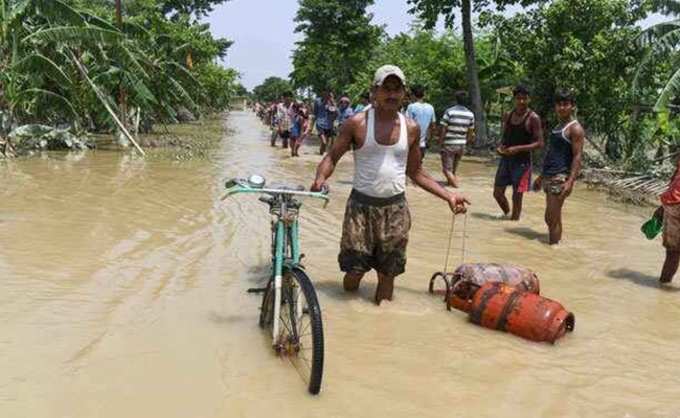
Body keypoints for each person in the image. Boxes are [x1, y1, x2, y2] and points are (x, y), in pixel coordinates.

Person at [310, 65, 470, 305]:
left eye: (397, 89)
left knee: (388, 275)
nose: (392, 94)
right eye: (387, 88)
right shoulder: (356, 123)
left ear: (404, 93)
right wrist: (320, 179)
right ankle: (349, 316)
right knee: (354, 272)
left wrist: (448, 196)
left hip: (395, 210)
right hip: (360, 209)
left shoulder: (412, 128)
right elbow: (332, 157)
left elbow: (416, 172)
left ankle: (380, 326)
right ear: (374, 91)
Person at [533, 89, 584, 245]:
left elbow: (577, 156)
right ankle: (557, 245)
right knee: (553, 217)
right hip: (549, 176)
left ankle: (552, 248)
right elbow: (551, 154)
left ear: (572, 106)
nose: (562, 108)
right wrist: (541, 177)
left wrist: (570, 182)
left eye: (565, 104)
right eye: (559, 104)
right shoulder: (558, 127)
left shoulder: (575, 129)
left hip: (560, 177)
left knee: (551, 217)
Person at [494, 85, 544, 220]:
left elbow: (540, 143)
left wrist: (517, 149)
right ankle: (507, 215)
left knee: (517, 196)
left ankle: (514, 221)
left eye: (524, 98)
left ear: (529, 99)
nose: (521, 101)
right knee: (497, 193)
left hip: (523, 163)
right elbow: (504, 138)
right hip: (506, 159)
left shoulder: (533, 118)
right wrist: (500, 147)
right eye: (518, 98)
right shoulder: (508, 115)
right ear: (514, 99)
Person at [439, 91, 475, 187]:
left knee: (446, 169)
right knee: (454, 167)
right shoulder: (470, 114)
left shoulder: (449, 111)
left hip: (449, 143)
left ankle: (455, 185)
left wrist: (441, 141)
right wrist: (466, 141)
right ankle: (451, 182)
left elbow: (443, 128)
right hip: (462, 144)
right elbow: (471, 131)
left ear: (456, 100)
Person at [655, 156, 680, 283]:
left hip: (675, 206)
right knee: (672, 252)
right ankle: (663, 291)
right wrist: (663, 207)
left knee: (673, 252)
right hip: (673, 206)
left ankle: (663, 286)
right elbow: (674, 183)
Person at [406, 85, 436, 163]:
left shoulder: (411, 107)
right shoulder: (431, 107)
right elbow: (433, 126)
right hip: (423, 144)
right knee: (418, 167)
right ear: (424, 95)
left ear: (413, 95)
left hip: (412, 144)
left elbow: (407, 125)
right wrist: (429, 141)